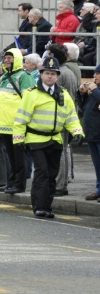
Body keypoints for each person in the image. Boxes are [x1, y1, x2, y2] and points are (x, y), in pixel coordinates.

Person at [12, 55, 85, 218]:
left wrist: (77, 132)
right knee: (42, 173)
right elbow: (21, 118)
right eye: (47, 73)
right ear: (41, 74)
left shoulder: (63, 94)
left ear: (57, 76)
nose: (50, 76)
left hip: (55, 140)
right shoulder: (31, 94)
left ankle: (47, 206)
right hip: (36, 140)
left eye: (53, 73)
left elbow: (71, 116)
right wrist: (18, 139)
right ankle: (38, 206)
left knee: (52, 175)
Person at [0, 48, 36, 194]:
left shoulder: (24, 76)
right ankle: (10, 182)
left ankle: (19, 184)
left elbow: (30, 101)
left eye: (10, 58)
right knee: (10, 156)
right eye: (5, 58)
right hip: (4, 124)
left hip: (17, 124)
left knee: (19, 156)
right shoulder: (4, 77)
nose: (6, 60)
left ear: (17, 59)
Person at [49, 43, 81, 197]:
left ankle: (60, 184)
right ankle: (63, 181)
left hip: (60, 118)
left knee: (61, 151)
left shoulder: (59, 74)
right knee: (65, 150)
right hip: (67, 115)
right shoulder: (68, 71)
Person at [79, 66, 100, 201]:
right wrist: (81, 94)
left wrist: (95, 90)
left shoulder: (96, 90)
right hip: (92, 133)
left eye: (98, 73)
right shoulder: (94, 91)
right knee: (97, 165)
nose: (95, 76)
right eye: (95, 73)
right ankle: (98, 189)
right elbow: (84, 108)